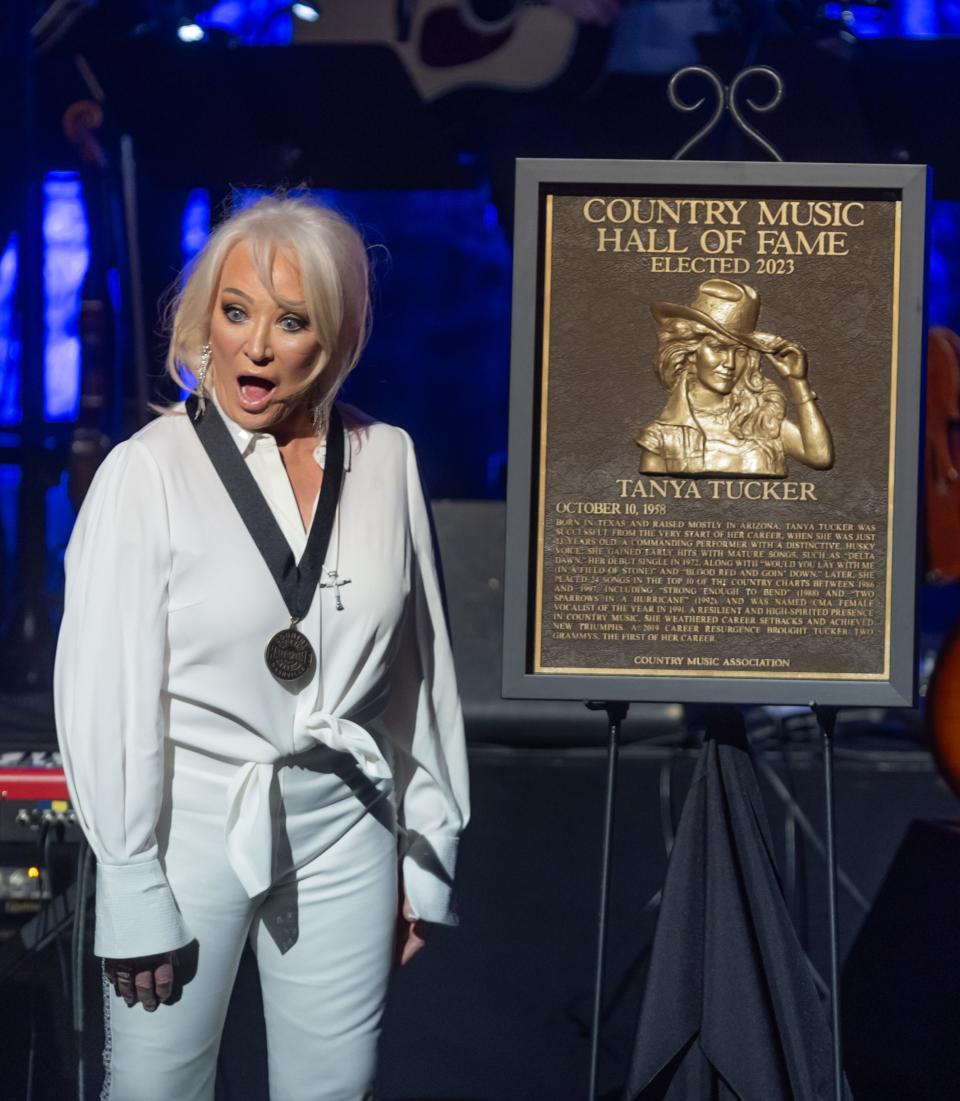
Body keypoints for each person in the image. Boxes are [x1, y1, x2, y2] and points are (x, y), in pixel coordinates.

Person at [54, 194, 470, 1101]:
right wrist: (128, 884)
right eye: (236, 311)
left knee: (334, 1089)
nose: (257, 343)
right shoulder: (146, 471)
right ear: (205, 315)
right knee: (156, 1090)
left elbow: (418, 674)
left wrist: (426, 848)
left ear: (340, 333)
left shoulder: (387, 456)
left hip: (348, 824)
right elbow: (102, 689)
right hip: (189, 828)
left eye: (293, 320)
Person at [636, 278, 834, 476]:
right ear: (691, 353)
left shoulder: (758, 417)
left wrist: (797, 382)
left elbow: (819, 457)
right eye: (717, 348)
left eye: (739, 352)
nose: (730, 363)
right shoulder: (662, 437)